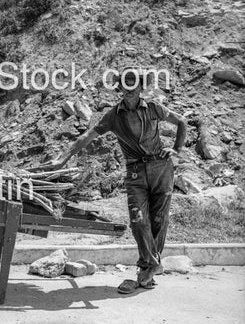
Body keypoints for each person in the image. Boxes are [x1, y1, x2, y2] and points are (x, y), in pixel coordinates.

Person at [33, 68, 187, 293]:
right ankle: (153, 265)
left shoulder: (154, 108)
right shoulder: (113, 116)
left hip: (161, 168)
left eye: (133, 83)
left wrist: (177, 151)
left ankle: (146, 271)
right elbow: (87, 137)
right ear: (120, 87)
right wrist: (62, 158)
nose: (129, 88)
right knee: (138, 220)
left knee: (159, 220)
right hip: (135, 172)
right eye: (125, 83)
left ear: (141, 87)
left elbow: (182, 121)